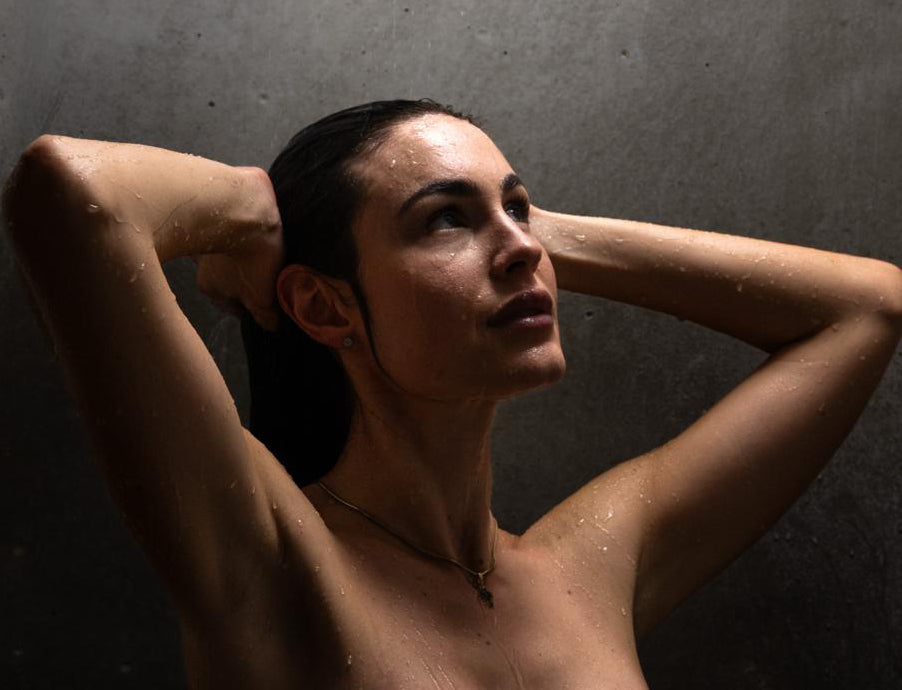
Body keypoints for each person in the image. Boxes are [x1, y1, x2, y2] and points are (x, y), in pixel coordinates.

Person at [3, 98, 901, 689]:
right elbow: (70, 190)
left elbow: (867, 307)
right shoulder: (275, 562)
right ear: (323, 304)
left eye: (517, 208)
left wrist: (539, 234)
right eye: (445, 221)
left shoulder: (593, 564)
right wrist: (253, 212)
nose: (517, 250)